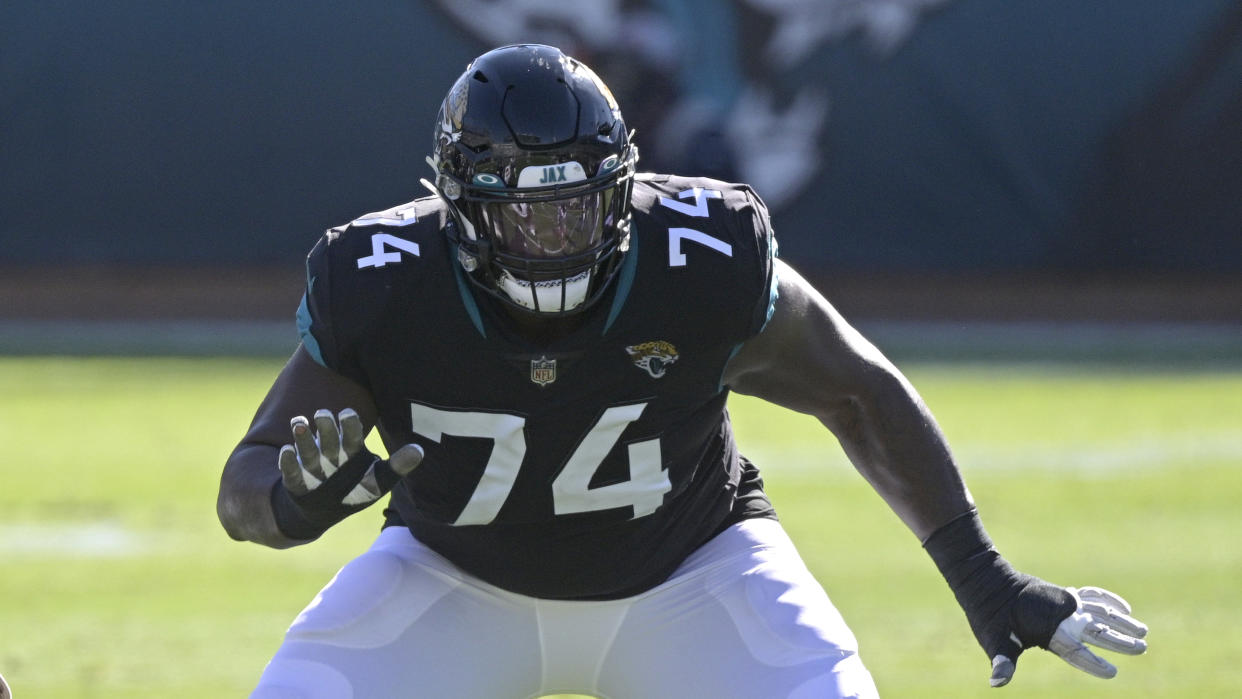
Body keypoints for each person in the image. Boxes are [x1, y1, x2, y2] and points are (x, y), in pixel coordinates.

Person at [217, 44, 1147, 698]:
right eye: (525, 212)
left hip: (692, 576)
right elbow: (244, 486)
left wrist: (983, 578)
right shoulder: (385, 280)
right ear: (457, 205)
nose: (554, 236)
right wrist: (294, 500)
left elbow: (855, 389)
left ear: (624, 186)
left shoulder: (699, 254)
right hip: (451, 577)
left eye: (578, 207)